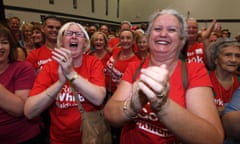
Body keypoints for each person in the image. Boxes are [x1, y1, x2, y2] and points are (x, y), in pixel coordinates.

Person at [104, 9, 224, 144]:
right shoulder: (135, 67)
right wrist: (133, 105)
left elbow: (213, 138)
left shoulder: (194, 71)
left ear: (182, 41)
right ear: (148, 38)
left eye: (172, 30)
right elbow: (110, 114)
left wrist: (163, 105)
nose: (163, 34)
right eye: (157, 29)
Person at [24, 22, 106, 144]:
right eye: (68, 33)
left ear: (85, 44)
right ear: (61, 41)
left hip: (91, 136)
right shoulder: (49, 67)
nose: (73, 36)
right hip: (60, 139)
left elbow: (99, 98)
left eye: (79, 34)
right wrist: (59, 83)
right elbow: (29, 112)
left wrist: (70, 73)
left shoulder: (94, 63)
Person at [0, 24, 43, 143]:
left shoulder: (22, 68)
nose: (0, 47)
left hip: (23, 137)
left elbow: (20, 109)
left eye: (4, 42)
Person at [104, 29, 140, 144]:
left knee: (118, 130)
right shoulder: (116, 51)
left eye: (128, 38)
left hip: (120, 100)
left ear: (133, 40)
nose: (125, 41)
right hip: (106, 94)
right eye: (122, 38)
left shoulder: (136, 61)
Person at [205, 38, 240, 116]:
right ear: (215, 60)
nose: (234, 60)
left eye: (238, 56)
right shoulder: (203, 80)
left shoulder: (239, 82)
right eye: (228, 55)